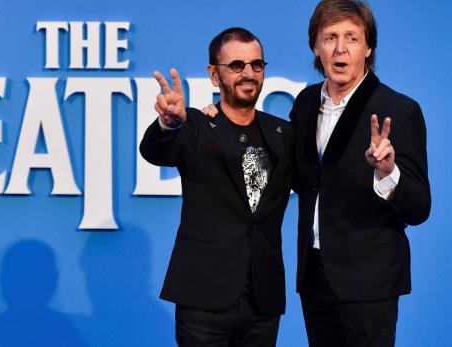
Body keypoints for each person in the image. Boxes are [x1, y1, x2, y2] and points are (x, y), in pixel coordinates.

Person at [140, 27, 294, 346]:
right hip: (203, 297)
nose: (248, 73)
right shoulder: (195, 125)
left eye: (256, 65)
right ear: (214, 75)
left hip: (263, 300)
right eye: (236, 66)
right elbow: (155, 151)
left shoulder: (283, 133)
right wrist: (168, 125)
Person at [290, 1, 431, 346]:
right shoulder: (305, 103)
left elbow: (420, 207)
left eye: (352, 38)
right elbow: (297, 176)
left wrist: (388, 172)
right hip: (315, 276)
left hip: (370, 282)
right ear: (316, 47)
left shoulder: (399, 109)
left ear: (368, 48)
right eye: (330, 37)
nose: (341, 49)